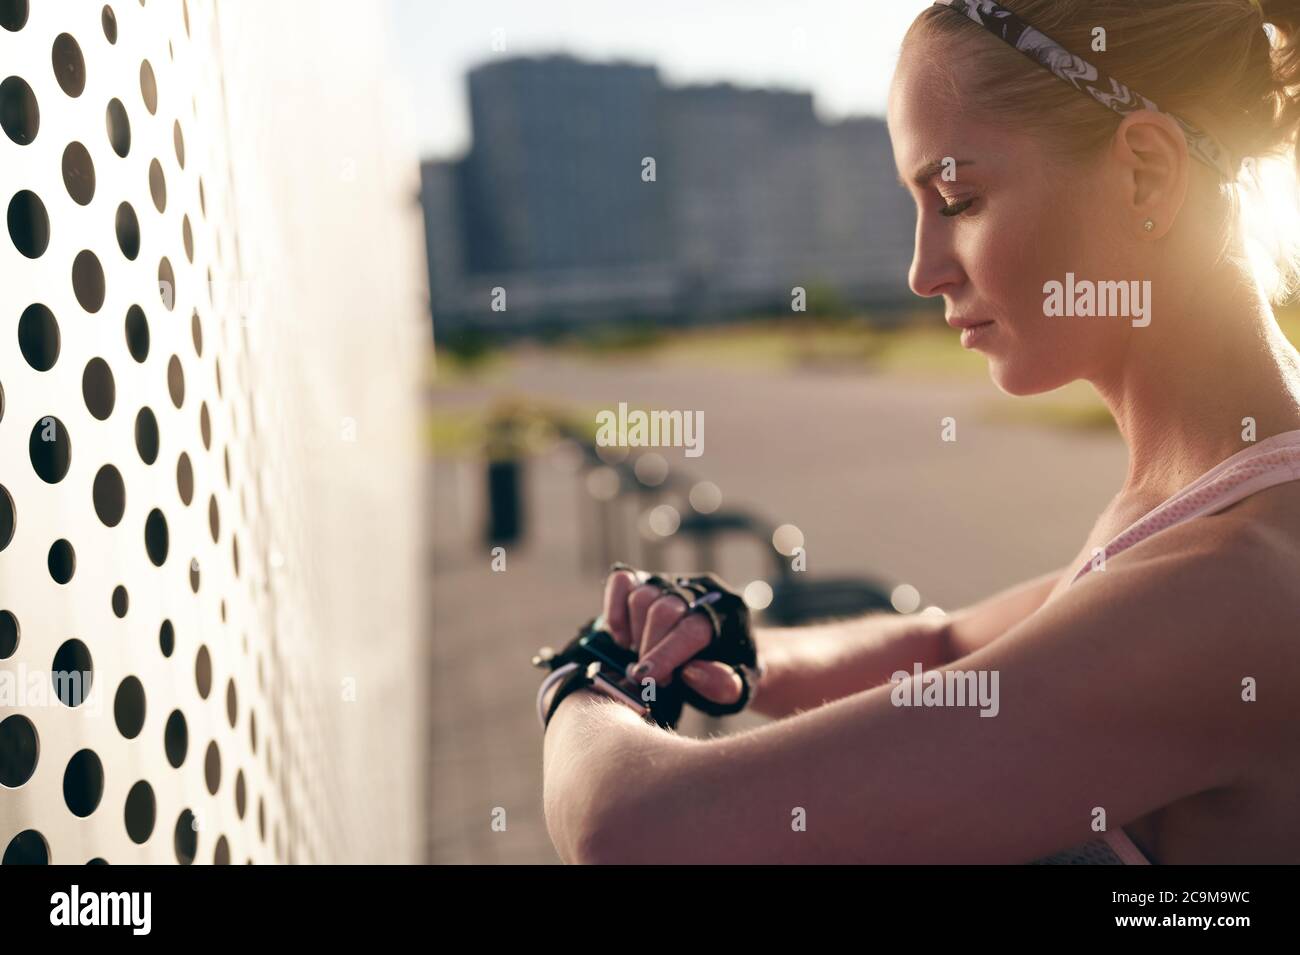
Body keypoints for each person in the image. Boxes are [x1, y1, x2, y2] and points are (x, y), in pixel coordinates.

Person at [540, 0, 1300, 864]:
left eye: (958, 198)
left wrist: (589, 675)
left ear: (1146, 177)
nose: (921, 269)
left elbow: (636, 829)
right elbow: (939, 644)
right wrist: (733, 644)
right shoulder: (1219, 507)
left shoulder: (1227, 594)